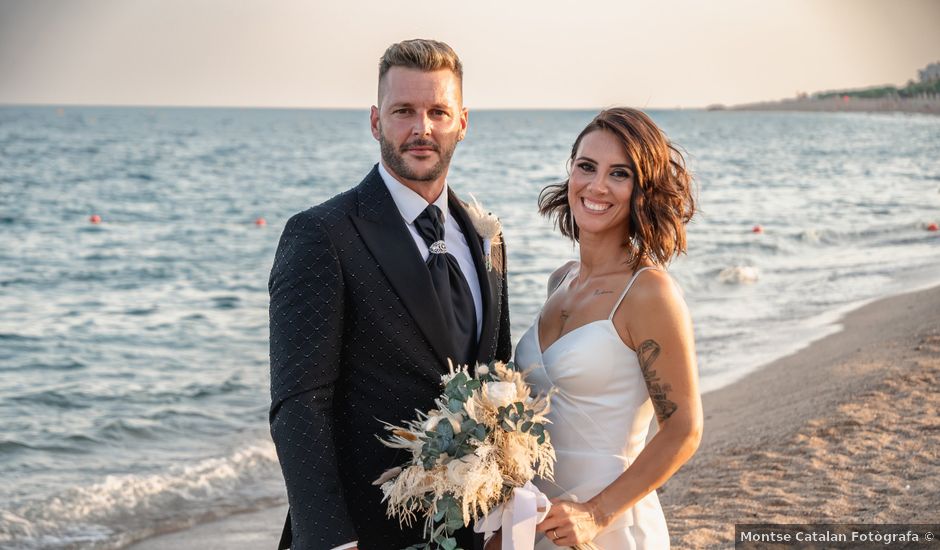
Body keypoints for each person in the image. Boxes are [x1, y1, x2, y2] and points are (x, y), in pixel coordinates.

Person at [269, 39, 511, 550]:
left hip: (470, 529)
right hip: (364, 531)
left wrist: (501, 510)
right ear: (376, 121)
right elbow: (298, 404)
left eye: (438, 111)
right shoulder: (323, 234)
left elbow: (496, 374)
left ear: (462, 122)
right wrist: (332, 540)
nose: (422, 128)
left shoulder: (488, 237)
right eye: (404, 111)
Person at [498, 107, 702, 548]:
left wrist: (596, 512)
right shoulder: (561, 279)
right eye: (586, 166)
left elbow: (685, 428)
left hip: (610, 528)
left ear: (642, 189)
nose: (597, 186)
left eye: (619, 174)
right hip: (539, 524)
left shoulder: (649, 293)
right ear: (570, 171)